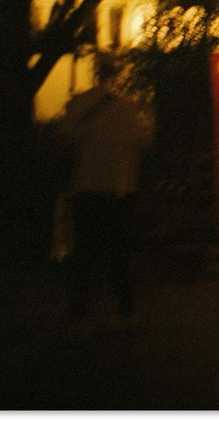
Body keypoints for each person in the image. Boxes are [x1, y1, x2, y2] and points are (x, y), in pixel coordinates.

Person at [58, 63, 152, 330]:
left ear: (95, 74)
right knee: (120, 254)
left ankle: (79, 313)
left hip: (86, 189)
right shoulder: (130, 109)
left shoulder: (79, 105)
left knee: (83, 254)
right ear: (118, 76)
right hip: (119, 190)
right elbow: (144, 142)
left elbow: (64, 138)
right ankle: (124, 311)